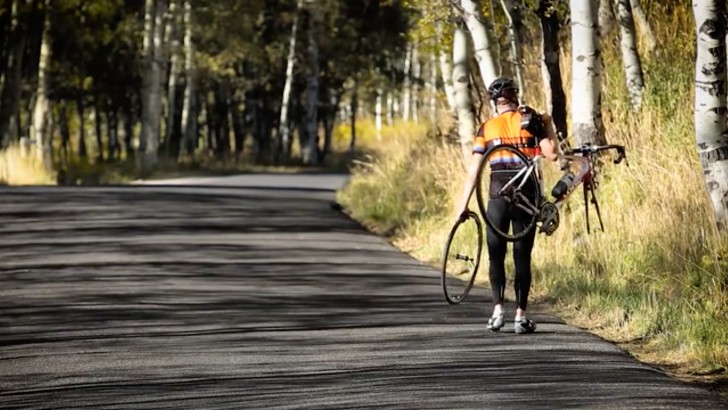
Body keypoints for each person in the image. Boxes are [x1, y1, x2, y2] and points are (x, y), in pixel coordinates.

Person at [455, 77, 559, 334]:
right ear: (515, 97)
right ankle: (521, 318)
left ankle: (497, 312)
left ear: (495, 103)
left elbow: (474, 171)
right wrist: (546, 123)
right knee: (522, 256)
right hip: (526, 196)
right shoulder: (530, 121)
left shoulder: (487, 127)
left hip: (497, 197)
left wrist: (463, 204)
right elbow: (552, 154)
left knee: (496, 255)